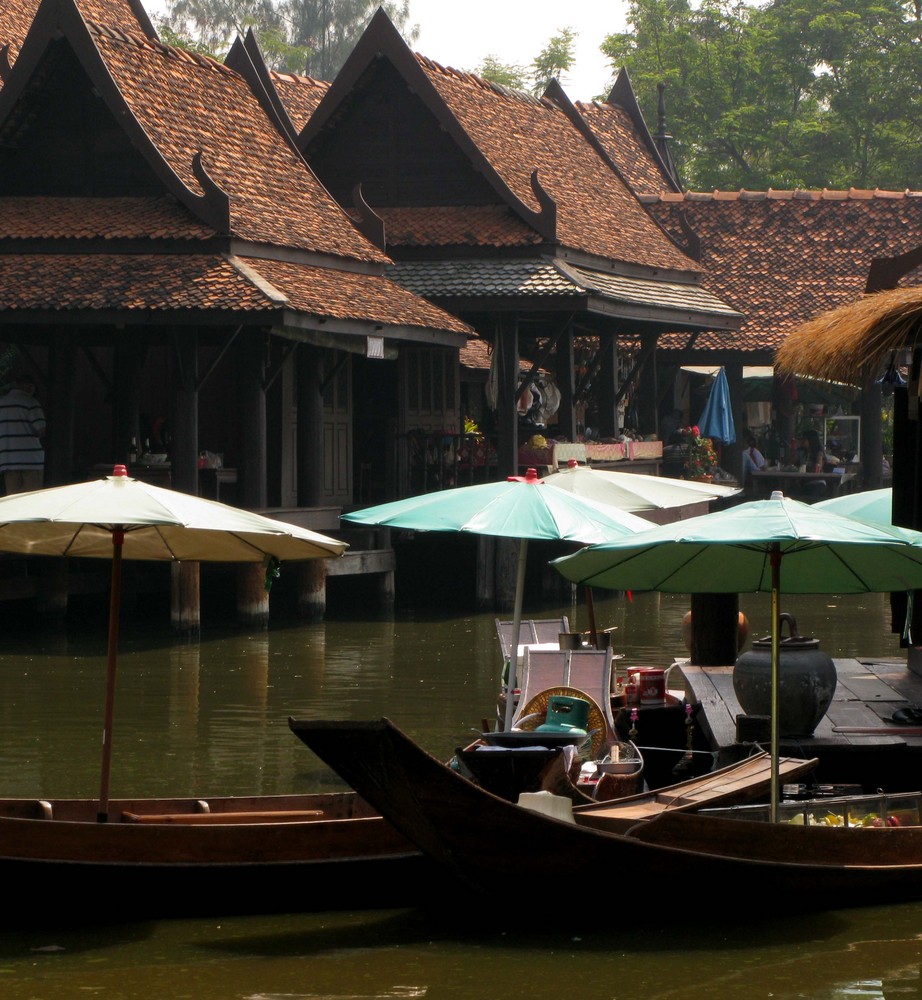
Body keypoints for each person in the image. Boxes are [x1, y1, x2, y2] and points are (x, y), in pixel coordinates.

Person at [0, 372, 46, 495]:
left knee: (14, 501)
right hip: (31, 461)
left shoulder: (2, 403)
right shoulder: (31, 402)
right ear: (30, 386)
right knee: (31, 500)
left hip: (7, 461)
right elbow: (41, 430)